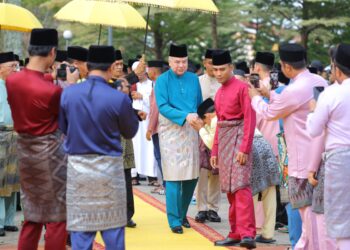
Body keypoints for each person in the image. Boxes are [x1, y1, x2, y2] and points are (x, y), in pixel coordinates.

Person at [59, 45, 139, 249]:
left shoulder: (69, 94)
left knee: (81, 234)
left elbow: (64, 127)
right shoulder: (118, 97)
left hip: (78, 171)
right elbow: (130, 132)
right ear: (112, 66)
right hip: (109, 172)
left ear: (87, 65)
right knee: (113, 234)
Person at [249, 43, 328, 250]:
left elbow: (270, 113)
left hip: (301, 159)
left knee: (306, 212)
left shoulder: (294, 89)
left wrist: (256, 98)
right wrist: (269, 94)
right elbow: (288, 102)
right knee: (317, 212)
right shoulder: (318, 81)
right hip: (321, 154)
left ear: (286, 67)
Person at [6, 28, 68, 250]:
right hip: (51, 156)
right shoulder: (52, 91)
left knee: (32, 215)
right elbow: (65, 122)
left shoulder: (12, 82)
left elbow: (31, 81)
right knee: (57, 218)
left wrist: (51, 77)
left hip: (26, 153)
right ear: (52, 52)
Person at [210, 50, 256, 249]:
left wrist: (244, 148)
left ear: (230, 67)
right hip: (225, 140)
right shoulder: (219, 93)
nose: (218, 73)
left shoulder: (243, 88)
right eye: (215, 70)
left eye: (222, 69)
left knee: (241, 188)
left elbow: (250, 119)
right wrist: (214, 150)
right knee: (229, 190)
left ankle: (248, 234)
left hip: (240, 139)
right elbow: (219, 123)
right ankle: (235, 232)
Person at [306, 43, 350, 250]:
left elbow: (314, 130)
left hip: (340, 160)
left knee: (342, 222)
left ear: (337, 69)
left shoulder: (331, 94)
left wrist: (313, 111)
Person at [155, 43, 202, 234]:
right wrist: (184, 115)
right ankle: (174, 219)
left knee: (191, 176)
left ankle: (183, 214)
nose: (180, 65)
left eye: (183, 61)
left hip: (191, 130)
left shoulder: (193, 79)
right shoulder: (162, 80)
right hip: (171, 131)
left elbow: (198, 103)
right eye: (176, 62)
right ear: (169, 61)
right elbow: (162, 106)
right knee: (174, 176)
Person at [251, 51, 279, 243]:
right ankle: (268, 230)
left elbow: (256, 117)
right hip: (278, 146)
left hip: (261, 143)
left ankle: (256, 226)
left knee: (256, 188)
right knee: (270, 189)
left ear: (258, 68)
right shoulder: (280, 85)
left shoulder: (258, 88)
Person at [195, 49, 221, 224]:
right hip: (202, 130)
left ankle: (213, 208)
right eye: (211, 63)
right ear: (205, 62)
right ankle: (201, 208)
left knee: (217, 171)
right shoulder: (197, 82)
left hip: (219, 130)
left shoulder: (223, 83)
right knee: (203, 171)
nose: (214, 67)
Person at [0, 52, 20, 237]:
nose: (15, 69)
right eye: (12, 66)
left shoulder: (14, 86)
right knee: (0, 180)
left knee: (13, 180)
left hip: (16, 136)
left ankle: (9, 221)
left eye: (16, 66)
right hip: (0, 136)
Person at [131, 61, 158, 186]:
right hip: (135, 120)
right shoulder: (132, 84)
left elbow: (155, 100)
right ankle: (134, 175)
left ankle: (151, 176)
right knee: (135, 147)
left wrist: (142, 96)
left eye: (142, 72)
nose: (140, 75)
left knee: (149, 148)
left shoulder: (153, 84)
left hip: (148, 119)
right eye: (137, 72)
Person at [146, 60, 166, 194]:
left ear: (152, 71)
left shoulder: (158, 84)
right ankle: (164, 184)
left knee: (160, 157)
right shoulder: (164, 83)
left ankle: (165, 185)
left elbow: (155, 109)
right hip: (164, 127)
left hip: (158, 128)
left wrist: (150, 128)